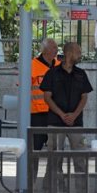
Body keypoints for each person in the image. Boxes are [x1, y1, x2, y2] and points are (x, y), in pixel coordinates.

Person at [37, 42, 92, 193]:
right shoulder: (52, 73)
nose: (80, 55)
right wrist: (62, 115)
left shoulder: (81, 74)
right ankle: (47, 191)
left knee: (80, 159)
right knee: (53, 157)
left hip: (75, 123)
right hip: (55, 121)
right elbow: (47, 97)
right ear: (70, 53)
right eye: (78, 51)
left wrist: (74, 115)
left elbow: (84, 97)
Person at [30, 38, 60, 180]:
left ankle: (53, 181)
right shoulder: (32, 65)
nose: (57, 49)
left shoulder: (60, 65)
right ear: (46, 50)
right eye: (54, 47)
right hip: (37, 114)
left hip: (55, 113)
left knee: (55, 149)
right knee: (35, 149)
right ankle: (31, 181)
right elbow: (23, 87)